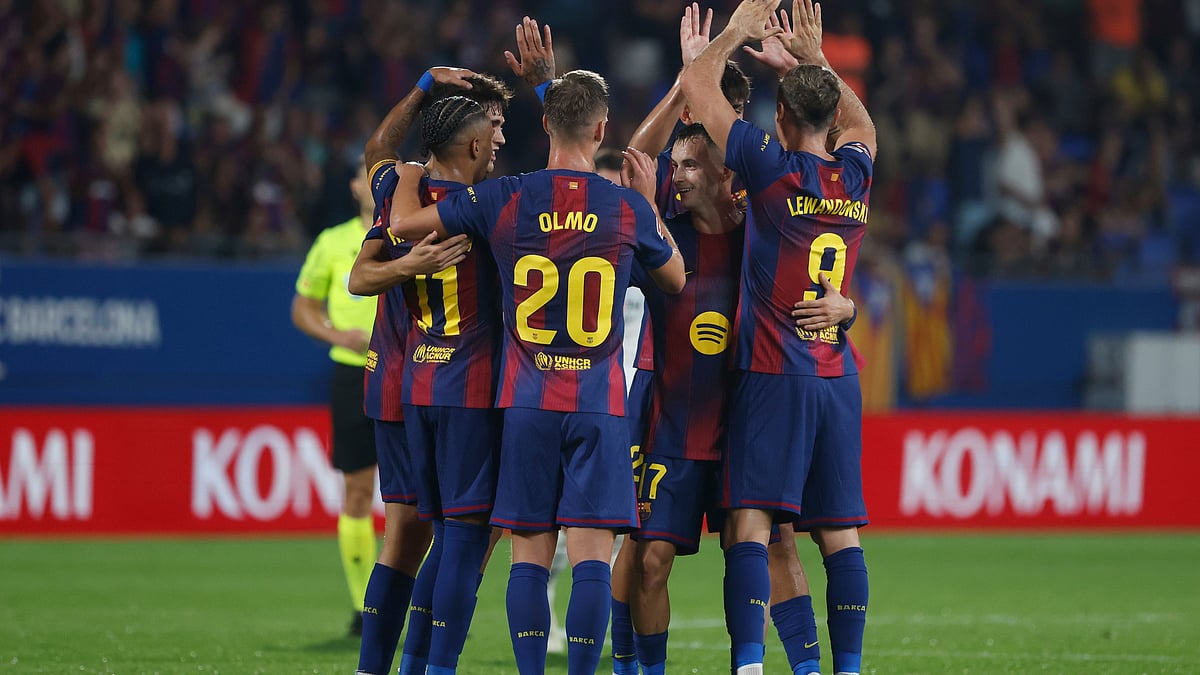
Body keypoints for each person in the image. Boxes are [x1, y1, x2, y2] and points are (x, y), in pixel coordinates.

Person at [390, 18, 686, 674]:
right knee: (590, 556)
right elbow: (675, 279)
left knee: (528, 553)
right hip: (598, 404)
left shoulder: (503, 196)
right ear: (603, 131)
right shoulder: (624, 207)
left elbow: (405, 226)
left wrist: (407, 173)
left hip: (524, 402)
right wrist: (648, 203)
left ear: (545, 123)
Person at [680, 1, 878, 674]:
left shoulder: (771, 166)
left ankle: (749, 666)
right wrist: (814, 59)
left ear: (783, 116)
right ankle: (845, 668)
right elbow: (863, 125)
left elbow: (698, 87)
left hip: (773, 369)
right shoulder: (856, 173)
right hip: (836, 374)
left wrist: (736, 31)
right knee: (840, 535)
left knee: (751, 525)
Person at [350, 67, 512, 675]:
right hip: (434, 381)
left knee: (425, 536)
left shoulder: (401, 185)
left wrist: (422, 86)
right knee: (447, 536)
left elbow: (377, 149)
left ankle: (388, 666)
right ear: (468, 137)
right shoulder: (484, 206)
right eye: (493, 125)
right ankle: (418, 664)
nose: (500, 138)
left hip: (408, 376)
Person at [290, 160, 382, 638]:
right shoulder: (331, 242)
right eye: (368, 175)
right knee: (358, 491)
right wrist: (334, 334)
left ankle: (423, 602)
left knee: (423, 496)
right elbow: (303, 307)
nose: (376, 182)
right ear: (353, 186)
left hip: (407, 371)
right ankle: (365, 606)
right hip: (353, 375)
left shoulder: (412, 233)